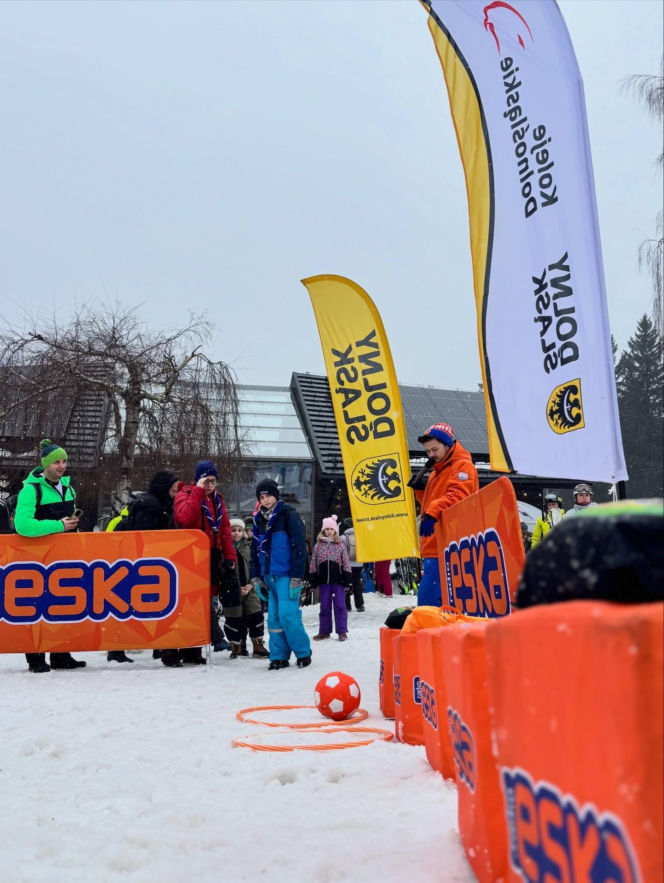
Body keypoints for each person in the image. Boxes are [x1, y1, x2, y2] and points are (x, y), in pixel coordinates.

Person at [14, 438, 86, 673]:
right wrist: (58, 526)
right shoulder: (30, 490)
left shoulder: (69, 488)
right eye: (56, 462)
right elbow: (23, 526)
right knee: (37, 606)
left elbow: (69, 524)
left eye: (64, 461)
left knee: (64, 605)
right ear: (46, 464)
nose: (61, 466)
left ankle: (61, 655)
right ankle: (35, 658)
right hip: (37, 559)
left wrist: (74, 532)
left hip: (64, 558)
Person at [106, 469, 183, 666]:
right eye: (174, 490)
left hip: (146, 563)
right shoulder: (149, 505)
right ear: (164, 489)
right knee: (130, 606)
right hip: (140, 562)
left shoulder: (158, 503)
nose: (175, 494)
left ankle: (152, 647)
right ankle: (117, 649)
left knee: (141, 606)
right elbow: (143, 536)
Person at [408, 422, 479, 607]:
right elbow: (433, 503)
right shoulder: (436, 472)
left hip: (450, 545)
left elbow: (458, 495)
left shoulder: (462, 466)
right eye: (428, 451)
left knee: (430, 603)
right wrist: (420, 490)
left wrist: (431, 513)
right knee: (432, 602)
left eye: (434, 449)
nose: (431, 454)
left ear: (447, 445)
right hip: (435, 544)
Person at [174, 460, 237, 664]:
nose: (209, 485)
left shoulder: (218, 499)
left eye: (212, 481)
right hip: (191, 558)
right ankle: (194, 645)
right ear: (197, 480)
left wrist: (230, 557)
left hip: (212, 557)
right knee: (193, 603)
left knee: (208, 601)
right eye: (205, 480)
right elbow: (185, 518)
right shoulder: (186, 494)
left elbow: (225, 529)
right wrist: (198, 492)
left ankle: (196, 649)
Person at [250, 478, 311, 669]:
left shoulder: (288, 515)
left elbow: (299, 547)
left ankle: (303, 652)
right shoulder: (259, 520)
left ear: (275, 495)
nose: (265, 500)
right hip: (269, 576)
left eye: (268, 496)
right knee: (274, 619)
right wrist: (256, 577)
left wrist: (297, 576)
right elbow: (254, 550)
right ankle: (279, 656)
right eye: (261, 497)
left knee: (288, 615)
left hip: (286, 575)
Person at [227, 518, 269, 658]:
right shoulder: (225, 548)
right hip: (232, 590)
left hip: (250, 588)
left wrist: (251, 584)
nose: (236, 533)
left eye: (239, 530)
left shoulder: (250, 547)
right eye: (233, 530)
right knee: (234, 620)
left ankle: (258, 646)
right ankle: (237, 647)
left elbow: (255, 566)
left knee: (255, 616)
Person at [309, 515, 352, 642]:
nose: (329, 531)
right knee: (324, 607)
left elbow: (346, 562)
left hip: (338, 582)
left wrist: (347, 580)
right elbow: (313, 563)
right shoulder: (318, 545)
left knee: (340, 606)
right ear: (323, 530)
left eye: (331, 529)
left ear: (335, 531)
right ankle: (324, 631)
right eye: (327, 529)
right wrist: (313, 580)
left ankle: (342, 631)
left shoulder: (340, 545)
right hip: (324, 582)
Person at [340, 519, 364, 612]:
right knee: (357, 584)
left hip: (347, 565)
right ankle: (360, 605)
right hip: (359, 564)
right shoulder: (360, 536)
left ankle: (347, 606)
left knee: (346, 584)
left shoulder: (343, 537)